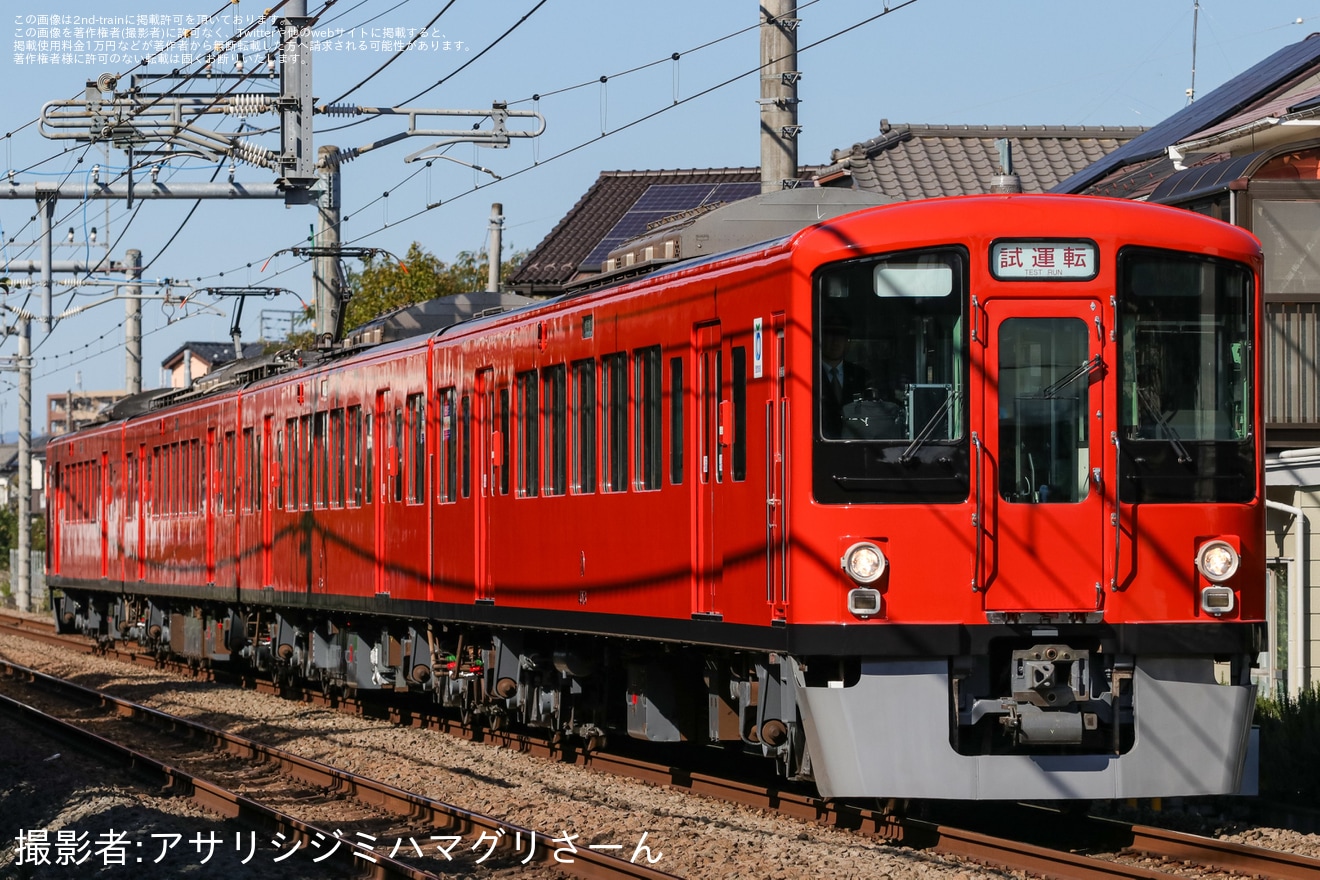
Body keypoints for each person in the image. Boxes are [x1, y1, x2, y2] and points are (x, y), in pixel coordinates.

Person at [819, 314, 874, 438]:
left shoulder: (861, 375)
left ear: (847, 342)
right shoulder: (810, 374)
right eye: (830, 335)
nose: (835, 341)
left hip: (855, 443)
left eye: (841, 336)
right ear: (821, 338)